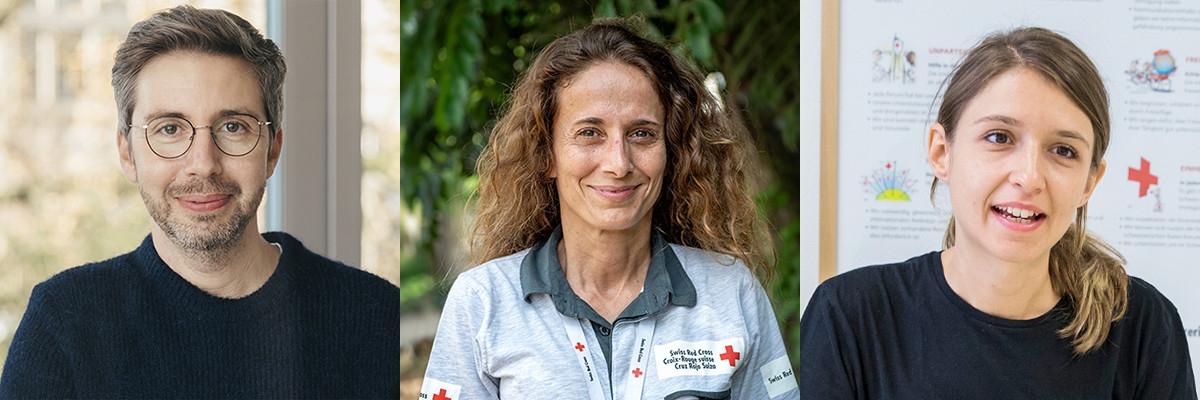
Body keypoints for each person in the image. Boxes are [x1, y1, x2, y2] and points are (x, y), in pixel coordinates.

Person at [0, 5, 399, 398]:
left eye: (233, 127)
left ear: (272, 150)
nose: (203, 164)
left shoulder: (374, 316)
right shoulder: (64, 324)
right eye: (169, 128)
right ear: (127, 153)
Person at [798, 27, 1196, 399]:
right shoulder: (850, 316)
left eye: (1063, 150)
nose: (1029, 177)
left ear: (1090, 181)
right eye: (999, 137)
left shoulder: (1142, 325)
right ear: (942, 151)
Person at [419, 20, 798, 399]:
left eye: (641, 134)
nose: (619, 163)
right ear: (546, 154)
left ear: (671, 152)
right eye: (589, 133)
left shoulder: (730, 291)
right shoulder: (482, 301)